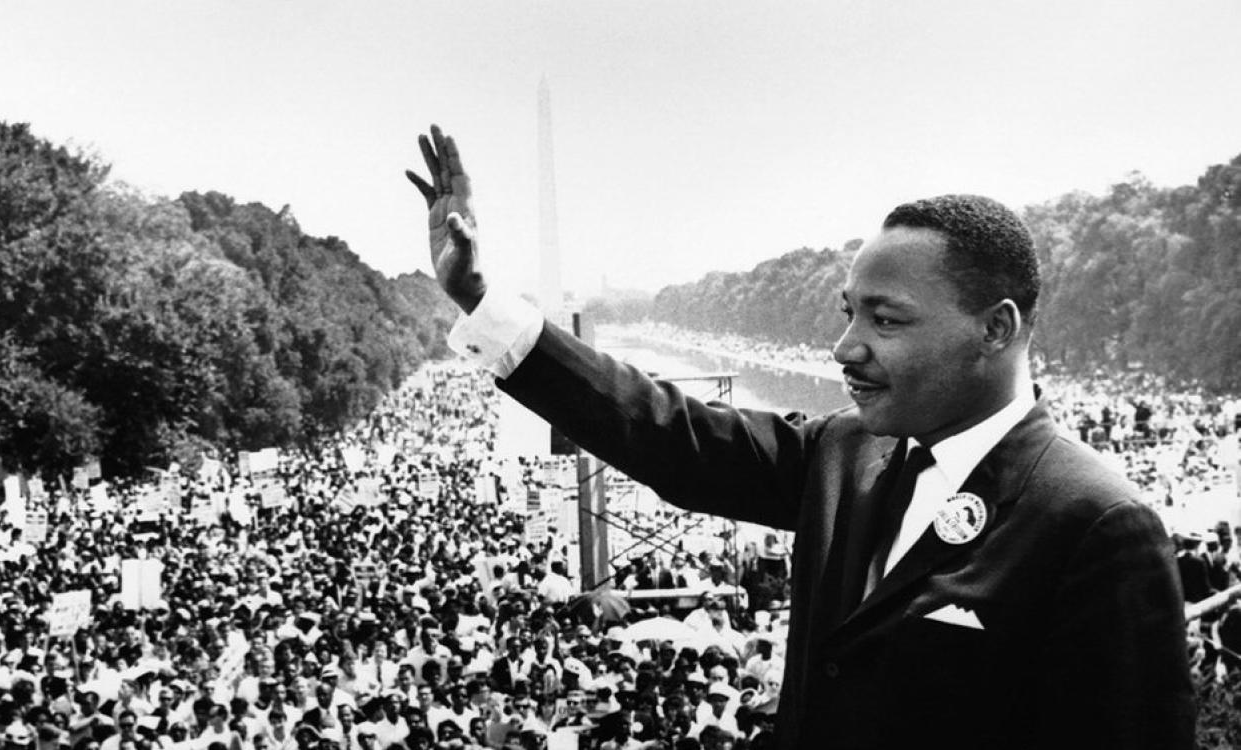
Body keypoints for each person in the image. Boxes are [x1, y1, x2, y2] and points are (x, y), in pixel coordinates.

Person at [405, 125, 1194, 749]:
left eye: (885, 320)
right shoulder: (845, 451)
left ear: (996, 329)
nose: (846, 347)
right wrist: (481, 300)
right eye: (846, 312)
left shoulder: (1096, 524)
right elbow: (666, 436)